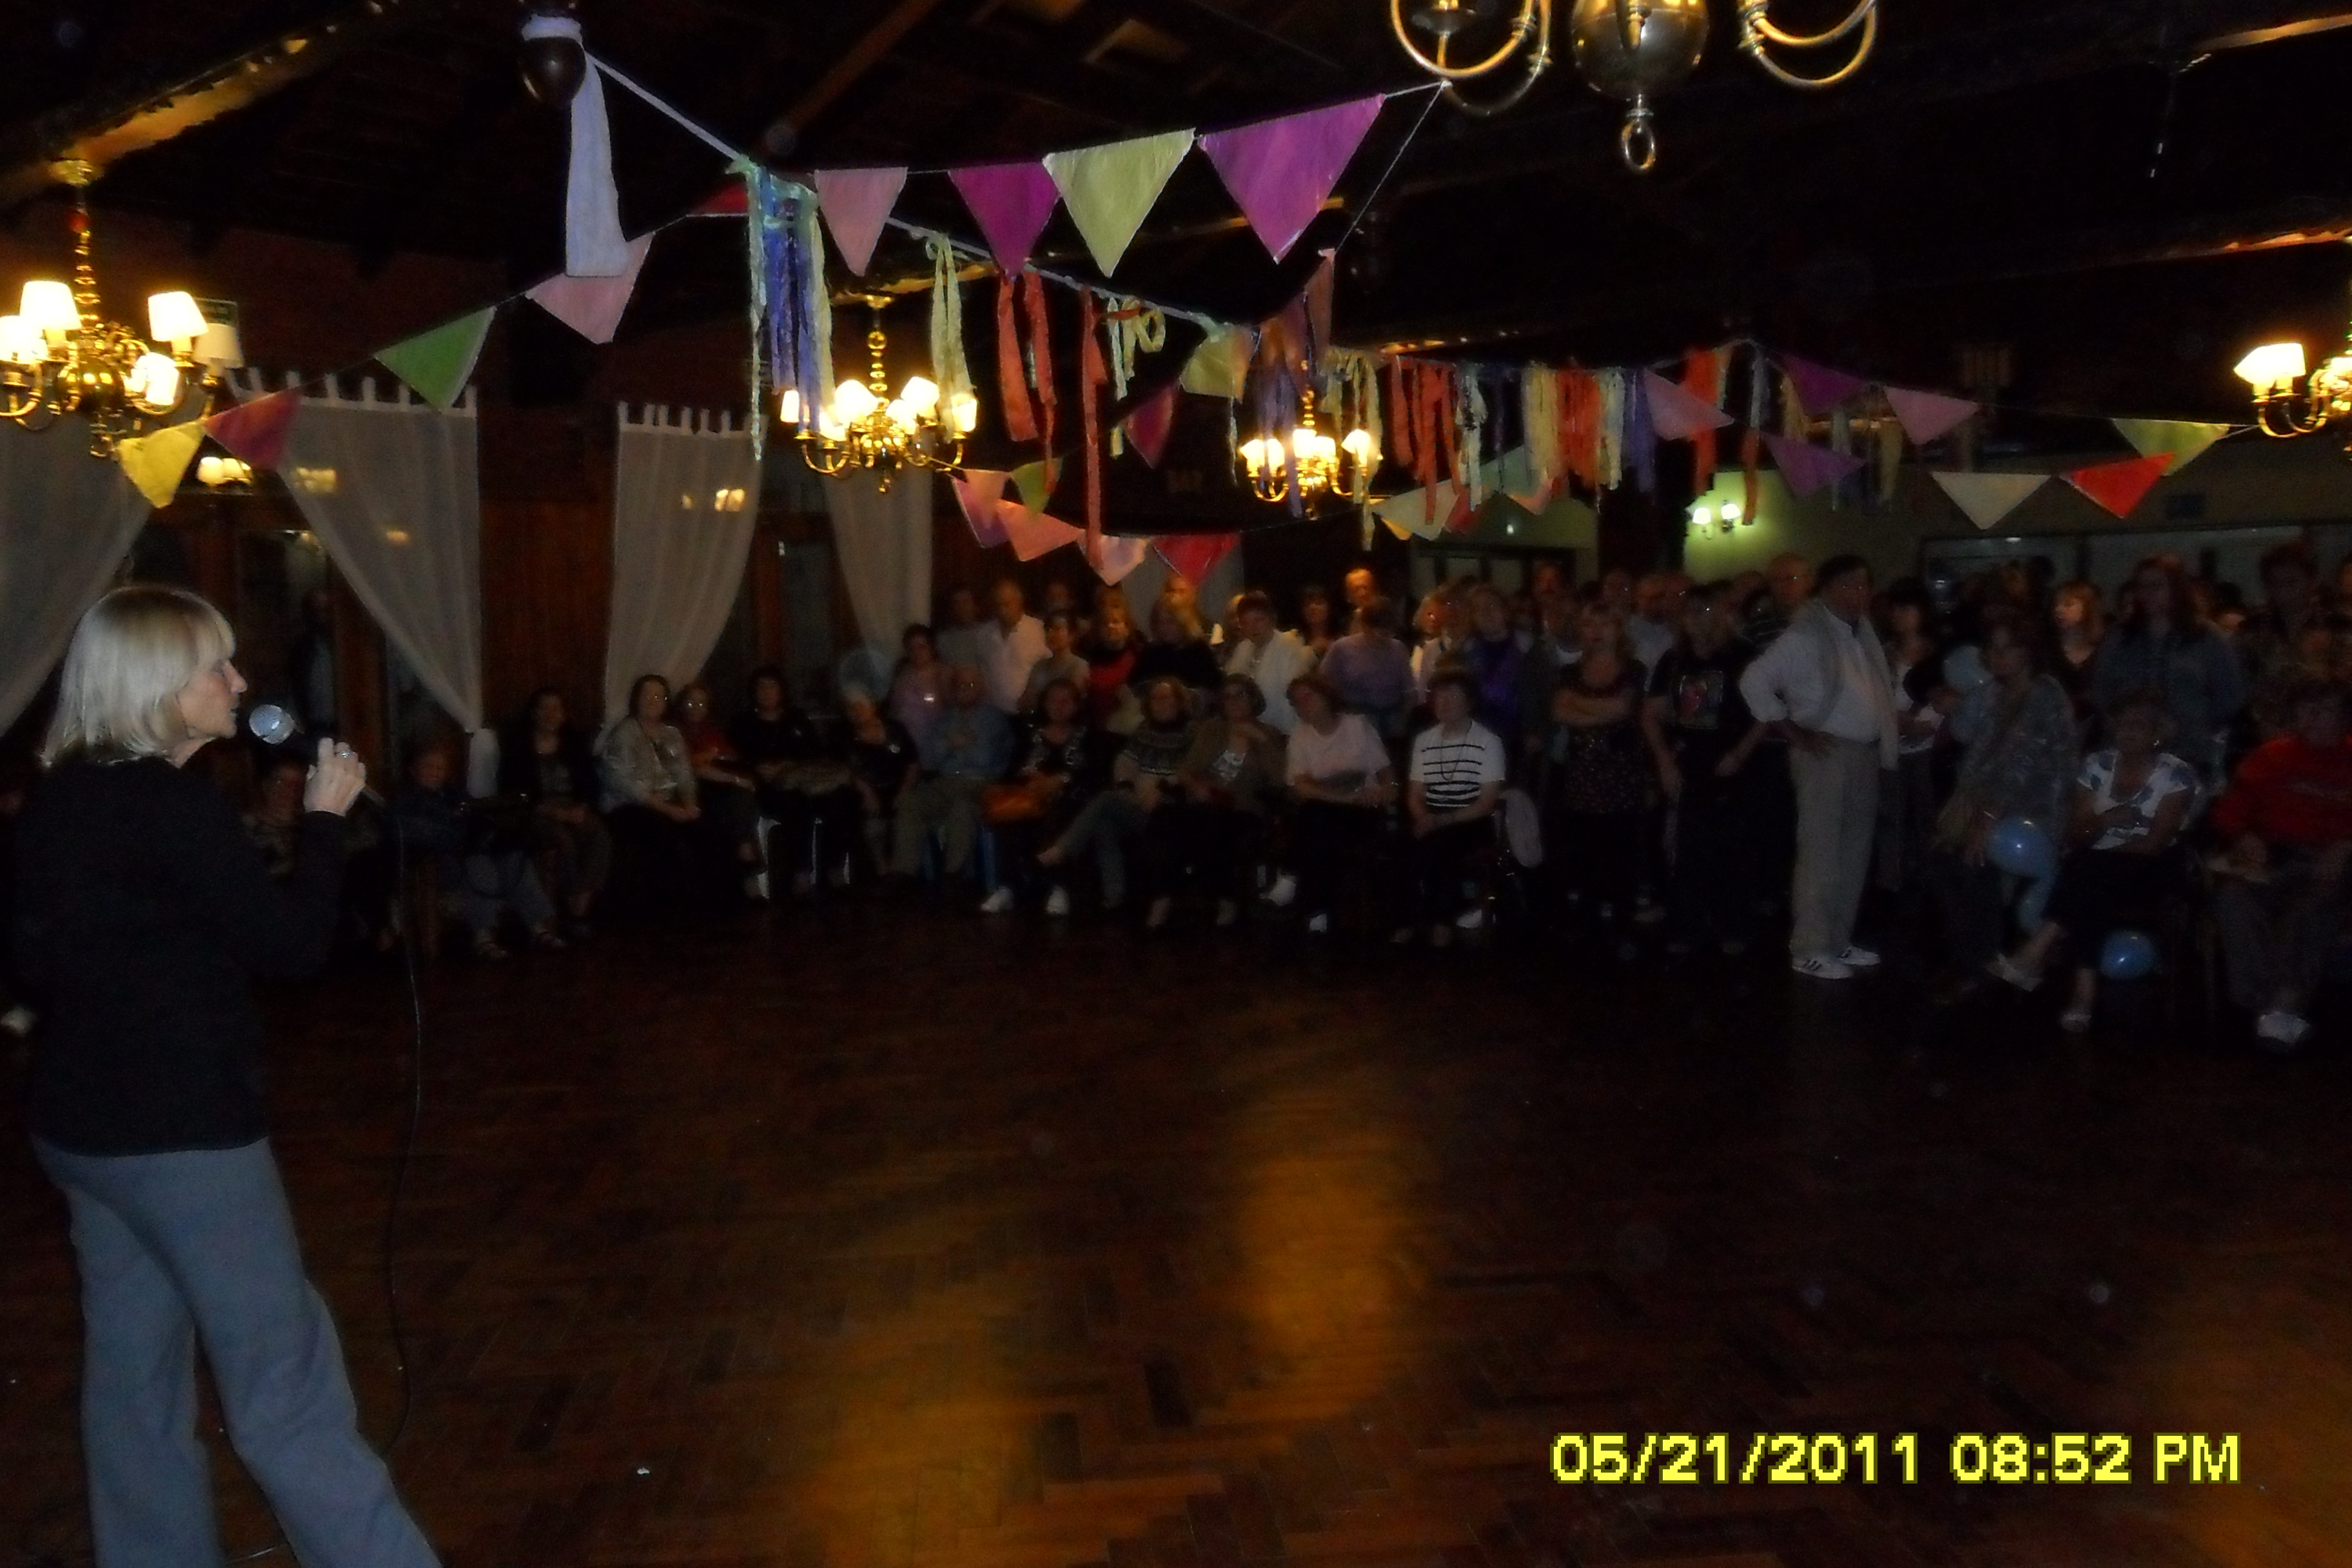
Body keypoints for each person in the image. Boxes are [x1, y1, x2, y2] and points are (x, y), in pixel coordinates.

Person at [10, 585, 440, 1568]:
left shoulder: (57, 799)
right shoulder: (174, 805)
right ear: (157, 684)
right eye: (216, 666)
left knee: (134, 1378)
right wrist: (324, 824)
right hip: (185, 1141)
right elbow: (291, 947)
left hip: (83, 1132)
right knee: (284, 1386)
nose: (239, 683)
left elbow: (34, 961)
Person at [1987, 690, 2197, 1031]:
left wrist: (2102, 846)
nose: (2127, 732)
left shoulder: (2176, 775)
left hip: (2152, 864)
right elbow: (2077, 830)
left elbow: (2155, 842)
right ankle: (2083, 991)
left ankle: (2036, 952)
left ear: (2157, 734)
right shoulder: (2097, 765)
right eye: (2122, 724)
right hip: (2097, 863)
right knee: (2092, 879)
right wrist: (2104, 820)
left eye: (2139, 725)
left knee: (2090, 872)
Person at [1738, 554, 1899, 981]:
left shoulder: (1861, 633)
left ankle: (1836, 939)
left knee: (1853, 853)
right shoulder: (1806, 634)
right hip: (1825, 754)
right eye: (1846, 585)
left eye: (1862, 585)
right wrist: (1795, 733)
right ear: (1825, 590)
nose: (1856, 594)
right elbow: (1754, 680)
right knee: (1821, 853)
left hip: (1862, 753)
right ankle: (1809, 947)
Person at [1925, 609, 2079, 993]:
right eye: (1992, 649)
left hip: (2033, 810)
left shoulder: (2045, 696)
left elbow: (2022, 767)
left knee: (1976, 863)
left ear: (2029, 652)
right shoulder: (1993, 692)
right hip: (1985, 800)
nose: (1997, 657)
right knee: (1942, 862)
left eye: (2008, 649)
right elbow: (1964, 732)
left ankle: (1977, 965)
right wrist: (1951, 701)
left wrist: (1987, 817)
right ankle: (1969, 958)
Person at [2209, 679, 2352, 1050]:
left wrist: (2346, 844)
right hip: (2274, 854)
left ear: (2344, 718)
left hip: (2330, 860)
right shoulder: (2272, 756)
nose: (2312, 718)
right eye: (2305, 710)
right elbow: (2229, 812)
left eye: (2324, 710)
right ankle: (2270, 1005)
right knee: (2233, 897)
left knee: (2312, 905)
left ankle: (2281, 1003)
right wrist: (2245, 836)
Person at [1643, 583, 1764, 954]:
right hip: (1690, 761)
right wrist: (1664, 760)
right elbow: (1650, 713)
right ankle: (1688, 925)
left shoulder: (1742, 656)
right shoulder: (1675, 660)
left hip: (1732, 760)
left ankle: (1734, 925)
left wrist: (1740, 754)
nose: (1698, 621)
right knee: (1688, 848)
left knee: (1732, 848)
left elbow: (1768, 712)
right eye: (1691, 613)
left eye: (1706, 612)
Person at [1540, 603, 1652, 954]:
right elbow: (1560, 711)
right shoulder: (1571, 672)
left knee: (1621, 850)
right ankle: (1588, 922)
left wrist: (1583, 706)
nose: (1597, 631)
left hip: (1621, 770)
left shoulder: (1633, 669)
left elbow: (1624, 708)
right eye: (1589, 623)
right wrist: (1602, 712)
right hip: (1582, 770)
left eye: (1605, 623)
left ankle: (1622, 923)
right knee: (1585, 850)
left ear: (1618, 629)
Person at [1039, 676, 1196, 913]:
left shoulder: (1191, 733)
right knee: (1105, 822)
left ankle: (1062, 849)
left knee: (1106, 799)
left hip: (1168, 805)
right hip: (1136, 799)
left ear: (1179, 702)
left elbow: (1191, 769)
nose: (1160, 703)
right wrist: (1127, 785)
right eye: (1155, 698)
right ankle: (1114, 895)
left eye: (1166, 698)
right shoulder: (1144, 730)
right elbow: (1125, 760)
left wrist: (1161, 787)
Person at [394, 743, 565, 958]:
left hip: (472, 850)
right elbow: (414, 832)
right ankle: (483, 937)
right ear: (413, 770)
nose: (434, 772)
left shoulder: (454, 793)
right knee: (478, 864)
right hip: (440, 863)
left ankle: (538, 928)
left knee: (513, 857)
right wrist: (456, 830)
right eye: (428, 767)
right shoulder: (408, 800)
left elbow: (478, 816)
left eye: (439, 768)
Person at [2090, 556, 2244, 790]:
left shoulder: (2206, 637)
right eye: (2142, 587)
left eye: (2156, 586)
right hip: (2127, 753)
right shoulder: (2121, 637)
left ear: (2177, 589)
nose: (2147, 594)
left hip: (2188, 752)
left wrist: (2195, 725)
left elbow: (2229, 696)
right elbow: (2102, 692)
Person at [1144, 674, 1284, 930]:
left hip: (1242, 808)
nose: (1234, 701)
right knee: (1169, 821)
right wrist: (1197, 786)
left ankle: (1226, 901)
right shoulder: (1212, 729)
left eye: (1240, 695)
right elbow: (1186, 770)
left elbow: (1280, 778)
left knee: (1217, 826)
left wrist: (1261, 741)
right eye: (1228, 697)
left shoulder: (1269, 734)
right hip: (1203, 801)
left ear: (1253, 699)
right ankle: (1161, 903)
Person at [1398, 670, 1507, 948]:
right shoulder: (1424, 740)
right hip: (1433, 813)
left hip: (1471, 817)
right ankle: (1408, 918)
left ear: (1469, 702)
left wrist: (1443, 820)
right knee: (1404, 844)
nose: (1444, 704)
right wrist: (1423, 817)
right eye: (1439, 698)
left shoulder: (1488, 741)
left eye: (1453, 697)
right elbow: (1414, 792)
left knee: (1442, 845)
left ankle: (1440, 920)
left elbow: (1487, 802)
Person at [979, 678, 1103, 917]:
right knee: (1009, 819)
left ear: (1077, 705)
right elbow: (1013, 769)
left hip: (1072, 797)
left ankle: (1060, 886)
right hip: (1029, 797)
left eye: (1065, 701)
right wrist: (1029, 779)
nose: (1058, 706)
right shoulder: (1030, 734)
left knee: (1058, 817)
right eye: (1053, 700)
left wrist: (1061, 780)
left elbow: (1095, 772)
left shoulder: (1088, 736)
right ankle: (1009, 887)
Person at [1284, 673, 1395, 936]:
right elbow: (1301, 786)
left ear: (1326, 696)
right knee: (1317, 821)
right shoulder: (1299, 736)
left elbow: (1387, 775)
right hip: (1328, 809)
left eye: (1308, 697)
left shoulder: (1358, 727)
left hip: (1361, 810)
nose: (1303, 705)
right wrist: (1344, 797)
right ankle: (1319, 909)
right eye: (1297, 702)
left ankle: (1295, 880)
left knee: (1315, 820)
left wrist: (1383, 792)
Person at [498, 686, 610, 934]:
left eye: (556, 709)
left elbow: (590, 782)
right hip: (537, 811)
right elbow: (512, 792)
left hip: (572, 806)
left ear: (563, 714)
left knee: (599, 835)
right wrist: (552, 812)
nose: (550, 714)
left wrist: (583, 806)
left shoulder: (574, 744)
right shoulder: (519, 748)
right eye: (544, 708)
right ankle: (571, 900)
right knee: (562, 839)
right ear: (534, 713)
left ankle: (580, 903)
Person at [890, 666, 1012, 882]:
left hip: (980, 783)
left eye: (970, 685)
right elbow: (929, 758)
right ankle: (903, 874)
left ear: (981, 688)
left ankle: (953, 876)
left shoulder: (994, 719)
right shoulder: (944, 719)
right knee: (909, 804)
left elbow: (985, 758)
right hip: (945, 781)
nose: (964, 689)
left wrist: (950, 745)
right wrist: (953, 744)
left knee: (961, 809)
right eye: (959, 685)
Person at [600, 672, 706, 899]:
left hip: (668, 801)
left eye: (658, 697)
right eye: (646, 696)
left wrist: (690, 803)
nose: (652, 701)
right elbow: (623, 783)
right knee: (663, 834)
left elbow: (684, 773)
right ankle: (672, 900)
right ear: (636, 700)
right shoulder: (624, 734)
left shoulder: (672, 734)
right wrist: (666, 809)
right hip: (630, 806)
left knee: (707, 828)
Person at [1875, 578, 1946, 896]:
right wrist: (1893, 720)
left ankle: (1929, 879)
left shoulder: (1938, 654)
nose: (1899, 616)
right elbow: (1872, 697)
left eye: (1906, 609)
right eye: (1895, 610)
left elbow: (1949, 695)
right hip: (1891, 747)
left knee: (1927, 816)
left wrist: (1926, 723)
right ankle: (1890, 881)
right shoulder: (1883, 654)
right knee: (1890, 816)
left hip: (1929, 749)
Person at [674, 683, 765, 892]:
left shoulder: (710, 730)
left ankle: (745, 856)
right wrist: (728, 774)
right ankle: (747, 860)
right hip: (691, 789)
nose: (696, 708)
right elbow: (691, 767)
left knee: (742, 800)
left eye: (702, 704)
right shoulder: (675, 731)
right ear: (682, 704)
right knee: (735, 801)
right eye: (691, 702)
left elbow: (729, 757)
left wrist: (718, 761)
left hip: (719, 785)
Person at [2237, 542, 2331, 743]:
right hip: (2265, 739)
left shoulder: (2337, 627)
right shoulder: (2253, 629)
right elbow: (2237, 684)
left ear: (2312, 581)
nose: (2283, 591)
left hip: (2325, 737)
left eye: (2291, 582)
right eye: (2275, 584)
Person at [840, 687, 919, 875]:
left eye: (861, 706)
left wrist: (904, 791)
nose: (857, 712)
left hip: (899, 786)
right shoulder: (845, 736)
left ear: (873, 706)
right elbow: (846, 770)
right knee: (867, 818)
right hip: (868, 790)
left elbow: (913, 763)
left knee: (907, 811)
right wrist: (866, 790)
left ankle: (903, 871)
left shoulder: (895, 729)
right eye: (852, 708)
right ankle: (881, 869)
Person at [1461, 582, 1545, 754]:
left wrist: (1536, 730)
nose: (1486, 613)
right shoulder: (1466, 653)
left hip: (1520, 737)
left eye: (1491, 605)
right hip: (1477, 736)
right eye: (1479, 609)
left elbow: (1543, 692)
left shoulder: (1529, 648)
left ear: (1506, 611)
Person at [1319, 596, 1416, 738]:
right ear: (1365, 626)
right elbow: (1324, 684)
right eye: (1379, 633)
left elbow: (1410, 691)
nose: (1384, 638)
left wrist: (1403, 720)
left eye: (1388, 633)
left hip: (1391, 720)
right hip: (1355, 720)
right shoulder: (1342, 648)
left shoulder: (1398, 649)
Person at [1222, 590, 1316, 734]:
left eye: (1259, 620)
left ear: (1272, 619)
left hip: (1284, 729)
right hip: (1250, 729)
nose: (1253, 628)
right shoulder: (1242, 649)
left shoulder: (1289, 647)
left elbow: (1293, 694)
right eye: (1246, 623)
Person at [1130, 596, 1222, 706]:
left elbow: (1213, 687)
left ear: (1183, 622)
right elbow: (1137, 686)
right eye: (1160, 622)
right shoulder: (1151, 652)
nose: (1164, 628)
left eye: (1170, 622)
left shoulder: (1199, 650)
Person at [976, 578, 1048, 714]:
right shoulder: (984, 633)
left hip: (1030, 711)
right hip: (994, 712)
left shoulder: (1038, 630)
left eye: (1007, 604)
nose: (1003, 610)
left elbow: (1048, 667)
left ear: (1019, 601)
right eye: (998, 605)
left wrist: (1032, 691)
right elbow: (982, 668)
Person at [1076, 592, 1143, 728]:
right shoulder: (1087, 655)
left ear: (1127, 626)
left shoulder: (1139, 653)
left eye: (1116, 622)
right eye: (1106, 624)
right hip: (1094, 725)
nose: (1111, 627)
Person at [242, 751, 311, 879]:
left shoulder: (311, 833)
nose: (288, 791)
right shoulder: (242, 830)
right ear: (266, 785)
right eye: (281, 781)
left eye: (297, 785)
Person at [888, 623, 950, 753]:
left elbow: (947, 710)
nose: (917, 652)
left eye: (921, 647)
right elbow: (894, 708)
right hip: (904, 737)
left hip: (933, 737)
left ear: (932, 647)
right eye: (912, 648)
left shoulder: (944, 672)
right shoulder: (903, 673)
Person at [2050, 579, 2106, 720]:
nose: (2059, 610)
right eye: (2056, 605)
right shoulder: (2048, 649)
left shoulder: (2104, 648)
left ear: (2087, 608)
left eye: (2068, 605)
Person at [1019, 609, 1091, 714]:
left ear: (1072, 635)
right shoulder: (1040, 665)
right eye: (1048, 630)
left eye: (1057, 629)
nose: (1051, 634)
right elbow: (1025, 701)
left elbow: (1068, 701)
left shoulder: (1079, 666)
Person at [1743, 553, 1813, 649]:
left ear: (1808, 581)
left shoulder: (1825, 621)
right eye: (1776, 580)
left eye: (1792, 578)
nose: (1782, 586)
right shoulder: (1756, 629)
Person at [934, 585, 986, 676]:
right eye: (957, 603)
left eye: (966, 602)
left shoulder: (988, 635)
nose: (962, 607)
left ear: (975, 606)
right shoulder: (943, 639)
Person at [1299, 585, 1338, 658]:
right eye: (1307, 604)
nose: (1313, 607)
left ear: (1330, 608)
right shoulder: (1295, 640)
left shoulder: (1341, 640)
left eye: (1319, 603)